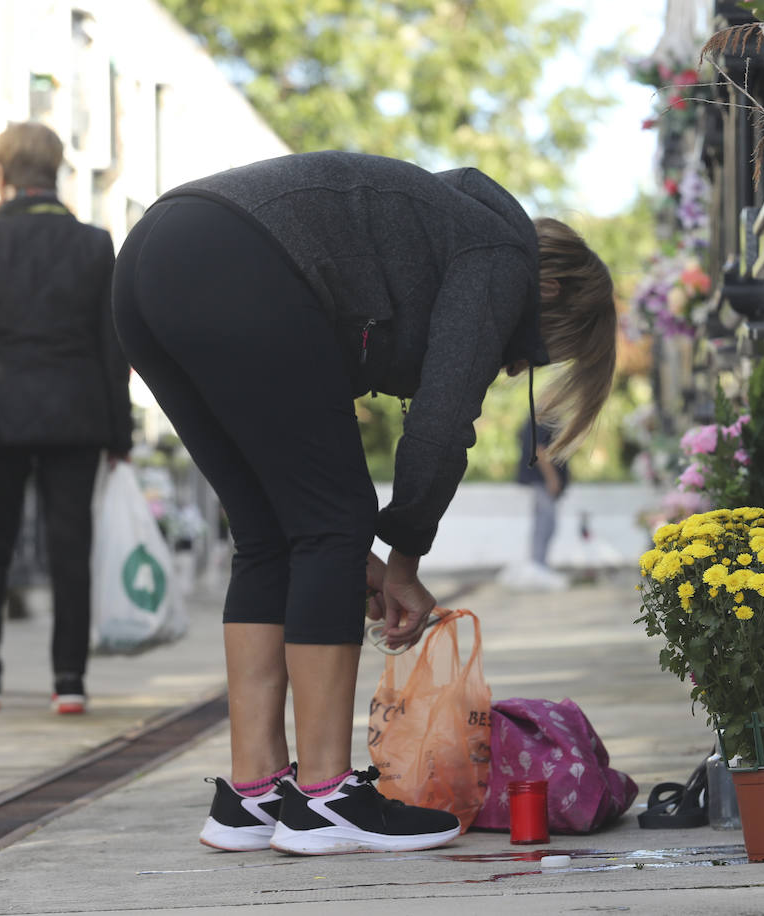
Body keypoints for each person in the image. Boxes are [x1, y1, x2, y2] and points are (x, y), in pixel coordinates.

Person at [110, 151, 615, 855]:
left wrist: (356, 555)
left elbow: (306, 506)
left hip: (151, 262)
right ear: (551, 286)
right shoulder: (501, 257)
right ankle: (324, 797)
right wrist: (400, 558)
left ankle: (251, 794)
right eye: (533, 349)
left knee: (268, 534)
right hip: (236, 261)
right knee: (331, 520)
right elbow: (440, 426)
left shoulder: (430, 229)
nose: (510, 364)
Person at [0, 122, 131, 715]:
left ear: (0, 174)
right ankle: (69, 681)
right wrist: (119, 433)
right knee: (70, 547)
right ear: (56, 174)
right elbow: (113, 345)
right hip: (77, 417)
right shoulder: (96, 243)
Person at [503, 418, 571, 591]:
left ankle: (539, 565)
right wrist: (552, 477)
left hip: (542, 481)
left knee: (546, 523)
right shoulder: (543, 417)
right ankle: (537, 566)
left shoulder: (541, 416)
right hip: (542, 481)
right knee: (545, 523)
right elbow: (539, 449)